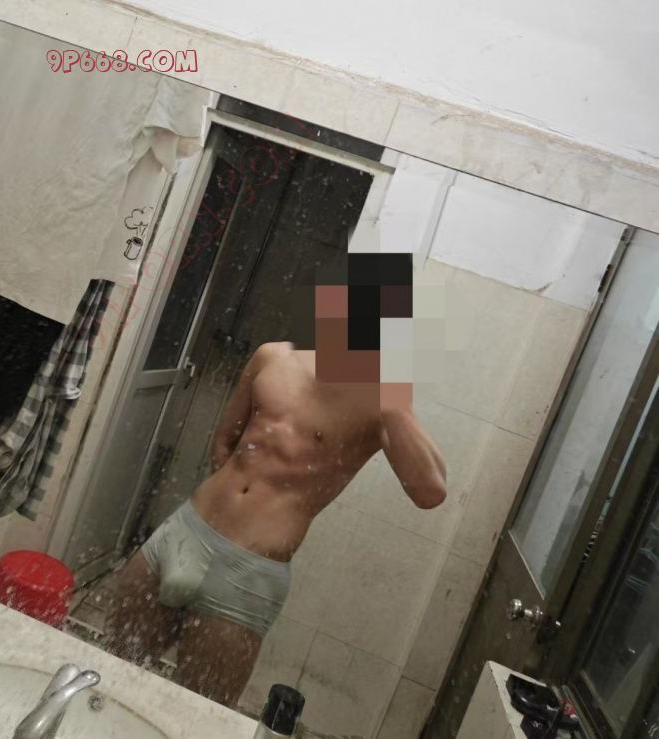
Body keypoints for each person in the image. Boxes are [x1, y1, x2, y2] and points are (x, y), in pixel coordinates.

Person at [104, 252, 447, 707]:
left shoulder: (382, 400)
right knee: (107, 675)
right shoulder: (272, 356)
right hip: (183, 533)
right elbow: (225, 440)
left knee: (194, 716)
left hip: (246, 576)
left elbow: (430, 491)